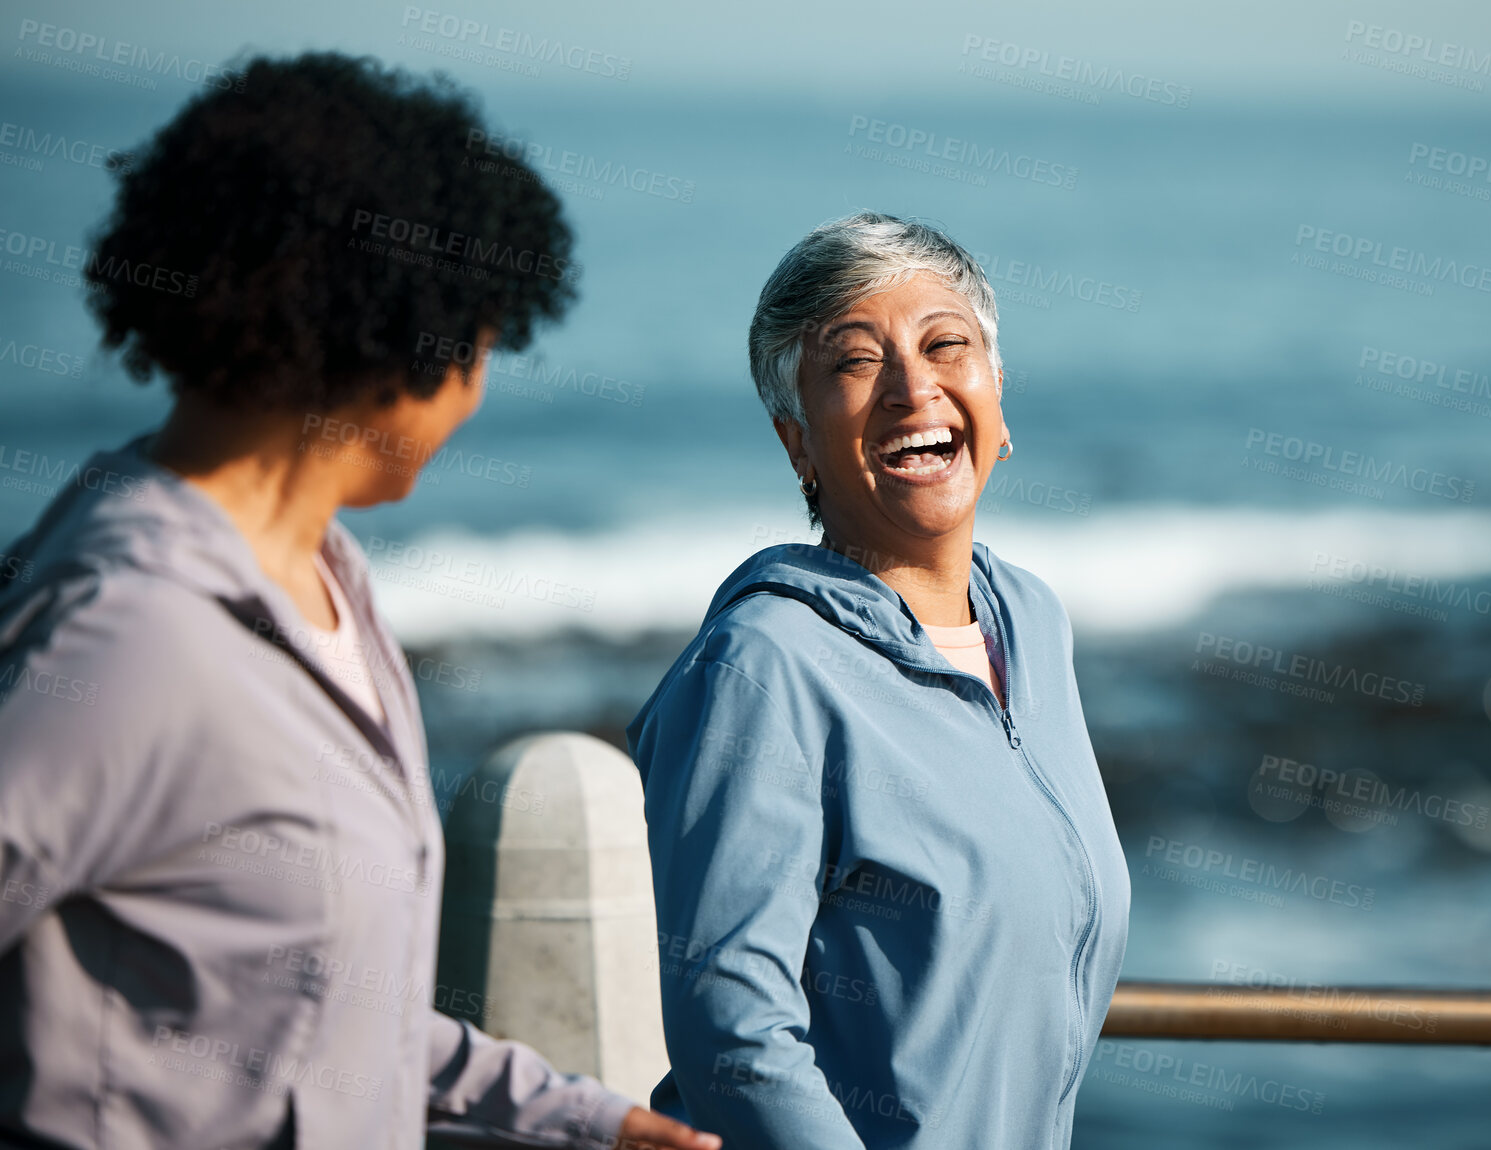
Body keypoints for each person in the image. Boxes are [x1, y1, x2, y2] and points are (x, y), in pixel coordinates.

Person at [0, 53, 716, 1150]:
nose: (476, 389)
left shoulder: (327, 576)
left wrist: (577, 1117)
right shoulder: (135, 628)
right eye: (476, 344)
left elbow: (310, 1007)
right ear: (386, 335)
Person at [628, 212, 1131, 1148]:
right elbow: (735, 1036)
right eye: (855, 365)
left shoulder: (1032, 621)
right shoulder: (761, 667)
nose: (914, 388)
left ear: (996, 394)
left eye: (949, 345)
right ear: (798, 445)